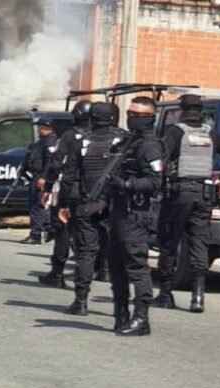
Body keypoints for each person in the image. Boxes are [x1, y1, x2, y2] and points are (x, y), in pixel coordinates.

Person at [153, 94, 220, 313]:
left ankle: (165, 294)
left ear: (182, 110)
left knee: (169, 242)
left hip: (179, 193)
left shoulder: (175, 132)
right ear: (200, 111)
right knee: (199, 243)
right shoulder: (211, 134)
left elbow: (160, 158)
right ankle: (198, 296)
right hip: (203, 194)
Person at [60, 102, 126, 316]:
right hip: (117, 206)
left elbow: (69, 176)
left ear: (90, 118)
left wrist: (62, 204)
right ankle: (120, 306)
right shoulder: (124, 140)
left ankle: (80, 301)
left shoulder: (81, 142)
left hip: (88, 204)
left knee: (86, 254)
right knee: (119, 254)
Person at [107, 96, 164, 336]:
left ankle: (142, 318)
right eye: (129, 113)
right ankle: (121, 313)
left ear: (148, 119)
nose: (130, 118)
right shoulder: (131, 141)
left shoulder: (150, 146)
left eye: (135, 115)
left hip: (136, 213)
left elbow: (155, 181)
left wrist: (126, 185)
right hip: (120, 212)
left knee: (137, 266)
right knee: (116, 265)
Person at [38, 101, 91, 288]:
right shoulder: (102, 137)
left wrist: (47, 188)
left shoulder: (69, 136)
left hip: (71, 190)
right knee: (88, 234)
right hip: (94, 193)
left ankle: (57, 274)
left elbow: (55, 164)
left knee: (63, 231)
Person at [20, 117, 57, 245]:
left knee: (37, 206)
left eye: (40, 127)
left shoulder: (50, 140)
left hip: (41, 176)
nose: (38, 130)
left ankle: (35, 235)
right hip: (36, 175)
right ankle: (50, 229)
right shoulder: (43, 141)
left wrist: (44, 177)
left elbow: (50, 161)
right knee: (36, 205)